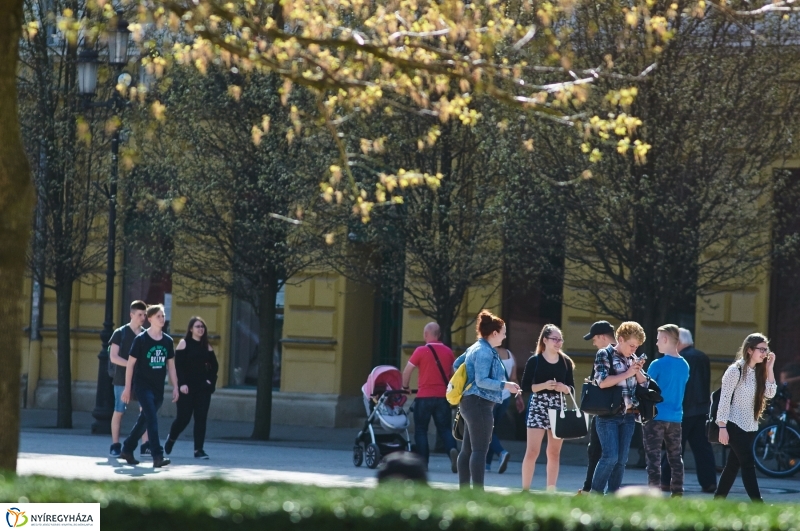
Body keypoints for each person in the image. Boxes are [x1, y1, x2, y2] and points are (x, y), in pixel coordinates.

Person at [452, 310, 521, 490]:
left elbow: (457, 364)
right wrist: (506, 385)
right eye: (504, 332)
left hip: (470, 403)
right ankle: (477, 494)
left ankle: (465, 491)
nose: (505, 336)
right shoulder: (485, 351)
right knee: (479, 451)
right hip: (479, 404)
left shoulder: (476, 347)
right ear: (494, 333)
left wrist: (467, 381)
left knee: (467, 450)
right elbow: (482, 381)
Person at [715, 333, 777, 502]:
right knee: (748, 464)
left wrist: (769, 368)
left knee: (732, 466)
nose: (765, 353)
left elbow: (770, 393)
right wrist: (722, 426)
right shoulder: (735, 370)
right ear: (750, 350)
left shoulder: (759, 371)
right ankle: (758, 504)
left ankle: (717, 501)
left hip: (750, 426)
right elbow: (724, 399)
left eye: (766, 349)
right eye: (761, 349)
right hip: (734, 424)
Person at [591, 321, 649, 495]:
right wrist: (627, 373)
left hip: (629, 416)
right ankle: (595, 493)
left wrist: (637, 369)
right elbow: (602, 382)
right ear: (621, 339)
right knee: (610, 457)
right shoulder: (605, 354)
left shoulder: (632, 359)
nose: (634, 350)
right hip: (608, 415)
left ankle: (613, 495)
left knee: (622, 460)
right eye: (631, 345)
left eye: (637, 347)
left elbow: (645, 385)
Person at [119, 304, 179, 468]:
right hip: (142, 385)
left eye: (163, 315)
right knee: (151, 418)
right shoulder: (141, 340)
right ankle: (157, 456)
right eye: (158, 316)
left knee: (144, 421)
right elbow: (131, 364)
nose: (162, 319)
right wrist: (127, 387)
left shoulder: (167, 341)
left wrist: (175, 386)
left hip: (157, 387)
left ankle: (127, 449)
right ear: (150, 319)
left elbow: (171, 366)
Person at [661, 328, 717, 493]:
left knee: (674, 446)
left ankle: (666, 481)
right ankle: (709, 482)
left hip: (682, 409)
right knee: (703, 448)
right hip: (701, 409)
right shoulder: (702, 357)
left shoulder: (679, 358)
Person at [520, 324, 575, 492]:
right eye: (554, 339)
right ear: (545, 340)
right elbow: (526, 387)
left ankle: (551, 490)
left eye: (560, 339)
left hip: (558, 405)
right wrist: (544, 385)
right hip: (538, 405)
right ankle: (525, 490)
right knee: (532, 450)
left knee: (554, 452)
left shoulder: (565, 362)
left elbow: (571, 389)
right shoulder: (535, 360)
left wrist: (563, 388)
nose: (558, 343)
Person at [402, 322, 458, 472]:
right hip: (442, 398)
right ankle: (452, 450)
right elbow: (453, 375)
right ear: (439, 335)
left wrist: (406, 387)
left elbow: (407, 371)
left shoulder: (421, 351)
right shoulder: (448, 352)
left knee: (421, 430)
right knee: (445, 429)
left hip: (424, 397)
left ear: (426, 334)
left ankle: (423, 463)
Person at [642, 324, 690, 496]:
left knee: (653, 458)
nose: (656, 343)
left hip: (655, 417)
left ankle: (654, 494)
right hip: (676, 418)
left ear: (665, 339)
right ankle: (677, 493)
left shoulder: (657, 364)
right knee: (676, 458)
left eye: (657, 339)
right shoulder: (685, 365)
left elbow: (645, 387)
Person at [164, 316, 219, 459]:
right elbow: (178, 366)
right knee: (184, 418)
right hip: (186, 388)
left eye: (202, 327)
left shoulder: (207, 346)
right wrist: (181, 384)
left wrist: (210, 383)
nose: (200, 329)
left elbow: (215, 367)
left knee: (201, 419)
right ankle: (171, 439)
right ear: (190, 329)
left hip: (202, 388)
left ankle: (198, 450)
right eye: (197, 326)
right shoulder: (184, 343)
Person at [107, 300, 149, 458]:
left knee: (144, 411)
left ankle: (145, 445)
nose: (143, 318)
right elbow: (113, 357)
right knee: (119, 411)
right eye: (139, 315)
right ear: (131, 315)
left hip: (141, 380)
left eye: (144, 315)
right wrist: (131, 364)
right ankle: (115, 445)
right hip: (121, 379)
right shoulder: (120, 333)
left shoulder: (146, 334)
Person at [579, 320, 616, 494]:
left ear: (602, 337)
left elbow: (600, 382)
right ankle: (611, 491)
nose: (594, 343)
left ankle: (590, 488)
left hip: (603, 411)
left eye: (594, 339)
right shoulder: (627, 351)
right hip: (622, 411)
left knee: (596, 451)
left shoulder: (603, 354)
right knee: (616, 456)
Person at [485, 342, 524, 474]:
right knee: (491, 429)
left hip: (491, 397)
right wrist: (519, 397)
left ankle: (501, 452)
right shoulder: (510, 355)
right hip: (505, 398)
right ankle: (487, 464)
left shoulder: (488, 353)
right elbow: (513, 379)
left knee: (486, 431)